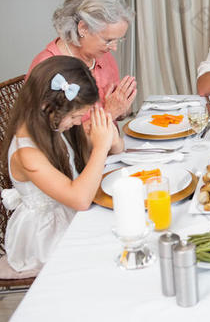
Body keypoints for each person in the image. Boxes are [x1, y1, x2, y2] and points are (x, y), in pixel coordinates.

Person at [1, 56, 123, 272]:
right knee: (112, 250)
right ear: (48, 107)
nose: (78, 122)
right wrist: (101, 148)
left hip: (68, 213)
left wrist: (110, 141)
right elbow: (80, 200)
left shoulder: (53, 126)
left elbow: (115, 151)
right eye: (76, 116)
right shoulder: (26, 153)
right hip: (44, 237)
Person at [27, 0, 136, 121]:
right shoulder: (47, 68)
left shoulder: (104, 57)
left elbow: (118, 111)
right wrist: (110, 113)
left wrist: (123, 107)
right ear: (83, 28)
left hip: (111, 141)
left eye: (118, 40)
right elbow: (54, 139)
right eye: (108, 40)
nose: (114, 48)